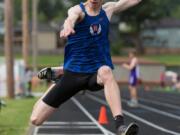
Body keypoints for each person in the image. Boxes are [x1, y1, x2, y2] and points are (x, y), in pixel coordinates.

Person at [30, 0, 141, 135]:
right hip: (73, 75)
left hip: (95, 74)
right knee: (36, 119)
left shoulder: (108, 10)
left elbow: (128, 1)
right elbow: (71, 17)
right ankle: (60, 78)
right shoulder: (78, 10)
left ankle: (120, 126)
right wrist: (68, 25)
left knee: (106, 71)